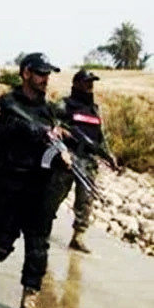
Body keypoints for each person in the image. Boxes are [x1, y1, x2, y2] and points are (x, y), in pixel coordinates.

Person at [0, 53, 69, 308]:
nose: (45, 79)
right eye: (40, 73)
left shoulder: (49, 111)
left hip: (40, 186)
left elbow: (55, 142)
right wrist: (17, 129)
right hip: (10, 184)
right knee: (2, 243)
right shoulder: (6, 104)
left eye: (48, 74)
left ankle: (28, 304)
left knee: (38, 246)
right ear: (26, 73)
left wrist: (63, 154)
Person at [44, 70, 118, 254]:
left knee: (86, 199)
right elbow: (50, 123)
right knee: (55, 194)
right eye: (86, 82)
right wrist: (61, 132)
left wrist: (108, 155)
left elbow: (100, 136)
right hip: (66, 156)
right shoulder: (64, 104)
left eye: (92, 82)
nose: (90, 86)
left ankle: (78, 236)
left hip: (88, 160)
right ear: (76, 84)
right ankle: (42, 227)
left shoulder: (95, 109)